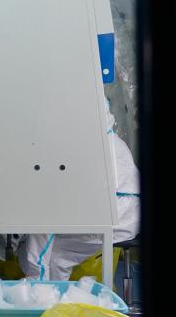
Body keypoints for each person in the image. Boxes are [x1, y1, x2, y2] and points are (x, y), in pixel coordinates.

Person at [19, 100, 140, 280]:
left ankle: (39, 289)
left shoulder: (89, 146)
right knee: (54, 254)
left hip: (117, 215)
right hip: (120, 212)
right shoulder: (104, 139)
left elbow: (54, 208)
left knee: (49, 243)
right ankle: (47, 290)